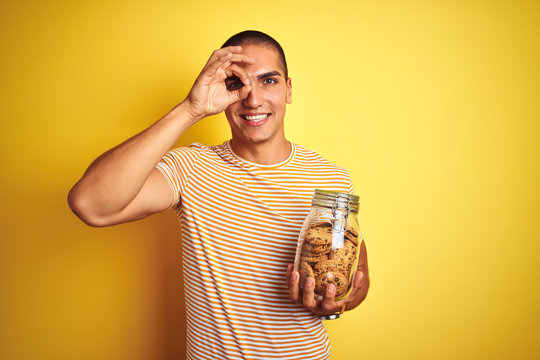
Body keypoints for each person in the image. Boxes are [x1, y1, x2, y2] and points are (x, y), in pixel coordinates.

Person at [68, 30, 369, 360]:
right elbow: (91, 204)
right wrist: (191, 108)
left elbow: (357, 275)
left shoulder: (330, 178)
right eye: (236, 84)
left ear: (289, 89)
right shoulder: (190, 167)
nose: (252, 99)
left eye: (268, 81)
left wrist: (340, 298)